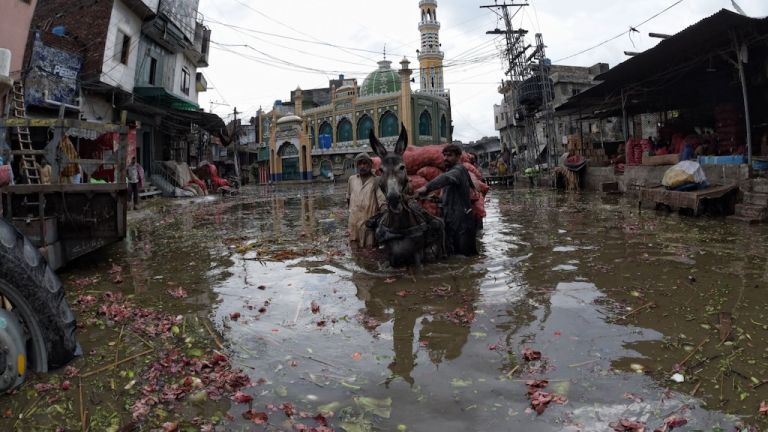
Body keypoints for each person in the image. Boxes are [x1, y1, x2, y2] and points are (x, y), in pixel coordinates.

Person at [415, 144, 478, 256]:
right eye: (444, 155)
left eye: (449, 155)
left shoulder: (458, 170)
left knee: (466, 257)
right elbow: (452, 195)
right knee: (454, 256)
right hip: (452, 221)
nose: (445, 158)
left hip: (462, 224)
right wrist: (439, 199)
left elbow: (445, 178)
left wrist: (426, 188)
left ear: (458, 156)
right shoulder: (451, 171)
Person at [347, 153, 385, 248]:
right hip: (353, 224)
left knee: (369, 253)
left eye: (365, 163)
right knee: (355, 252)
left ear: (370, 165)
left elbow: (382, 203)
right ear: (356, 166)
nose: (362, 166)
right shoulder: (352, 180)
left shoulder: (376, 181)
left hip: (369, 225)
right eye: (360, 164)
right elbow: (348, 198)